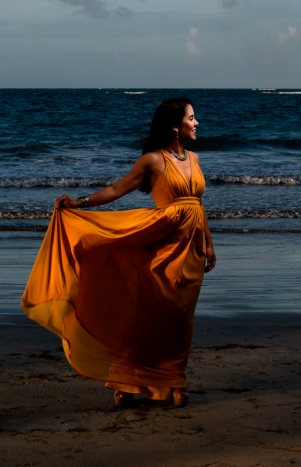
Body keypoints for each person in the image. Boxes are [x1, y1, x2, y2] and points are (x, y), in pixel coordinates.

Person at [21, 98, 215, 408]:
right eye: (192, 118)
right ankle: (126, 378)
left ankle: (175, 379)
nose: (197, 123)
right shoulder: (152, 160)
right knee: (149, 311)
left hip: (190, 246)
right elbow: (116, 190)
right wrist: (79, 202)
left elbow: (198, 203)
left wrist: (208, 241)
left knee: (180, 318)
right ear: (175, 126)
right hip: (161, 241)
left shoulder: (194, 158)